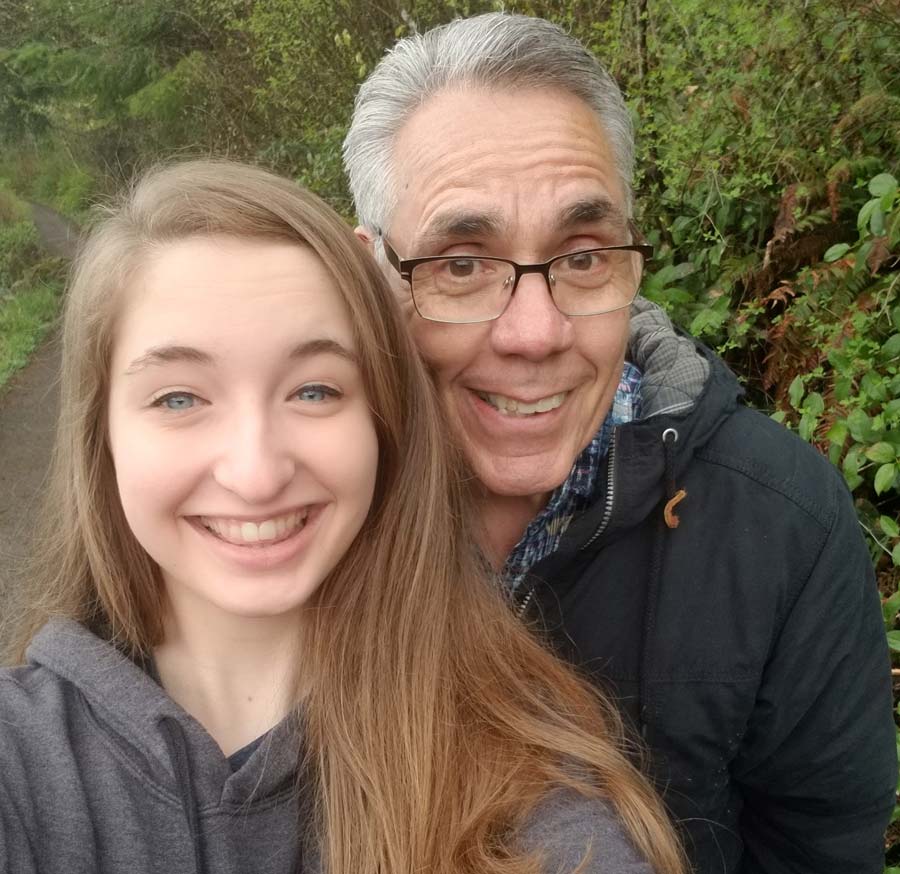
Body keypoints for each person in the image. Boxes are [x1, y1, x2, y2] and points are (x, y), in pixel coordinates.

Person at [0, 159, 687, 874]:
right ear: (100, 436)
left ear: (384, 426)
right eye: (179, 399)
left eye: (315, 391)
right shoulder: (20, 765)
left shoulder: (523, 792)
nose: (257, 471)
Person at [343, 13, 896, 874]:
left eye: (584, 256)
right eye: (460, 264)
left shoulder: (783, 527)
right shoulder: (296, 515)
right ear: (372, 275)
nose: (536, 333)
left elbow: (817, 848)